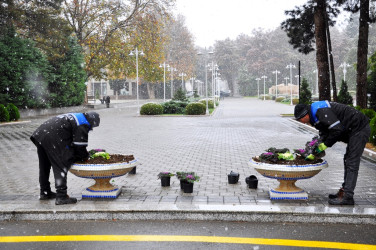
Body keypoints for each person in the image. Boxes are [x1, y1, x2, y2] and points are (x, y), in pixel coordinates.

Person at [294, 101, 370, 205]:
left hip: (359, 128)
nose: (301, 122)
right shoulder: (314, 114)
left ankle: (347, 196)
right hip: (353, 130)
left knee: (352, 161)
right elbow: (325, 130)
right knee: (348, 159)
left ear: (305, 114)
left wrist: (325, 144)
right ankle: (344, 191)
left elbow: (337, 130)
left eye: (300, 119)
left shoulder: (320, 111)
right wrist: (316, 145)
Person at [30, 112, 100, 205]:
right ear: (92, 121)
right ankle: (61, 196)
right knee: (61, 164)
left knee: (44, 165)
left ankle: (45, 192)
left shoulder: (77, 116)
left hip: (40, 134)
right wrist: (85, 157)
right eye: (92, 127)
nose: (91, 129)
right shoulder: (83, 123)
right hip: (51, 136)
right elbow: (80, 146)